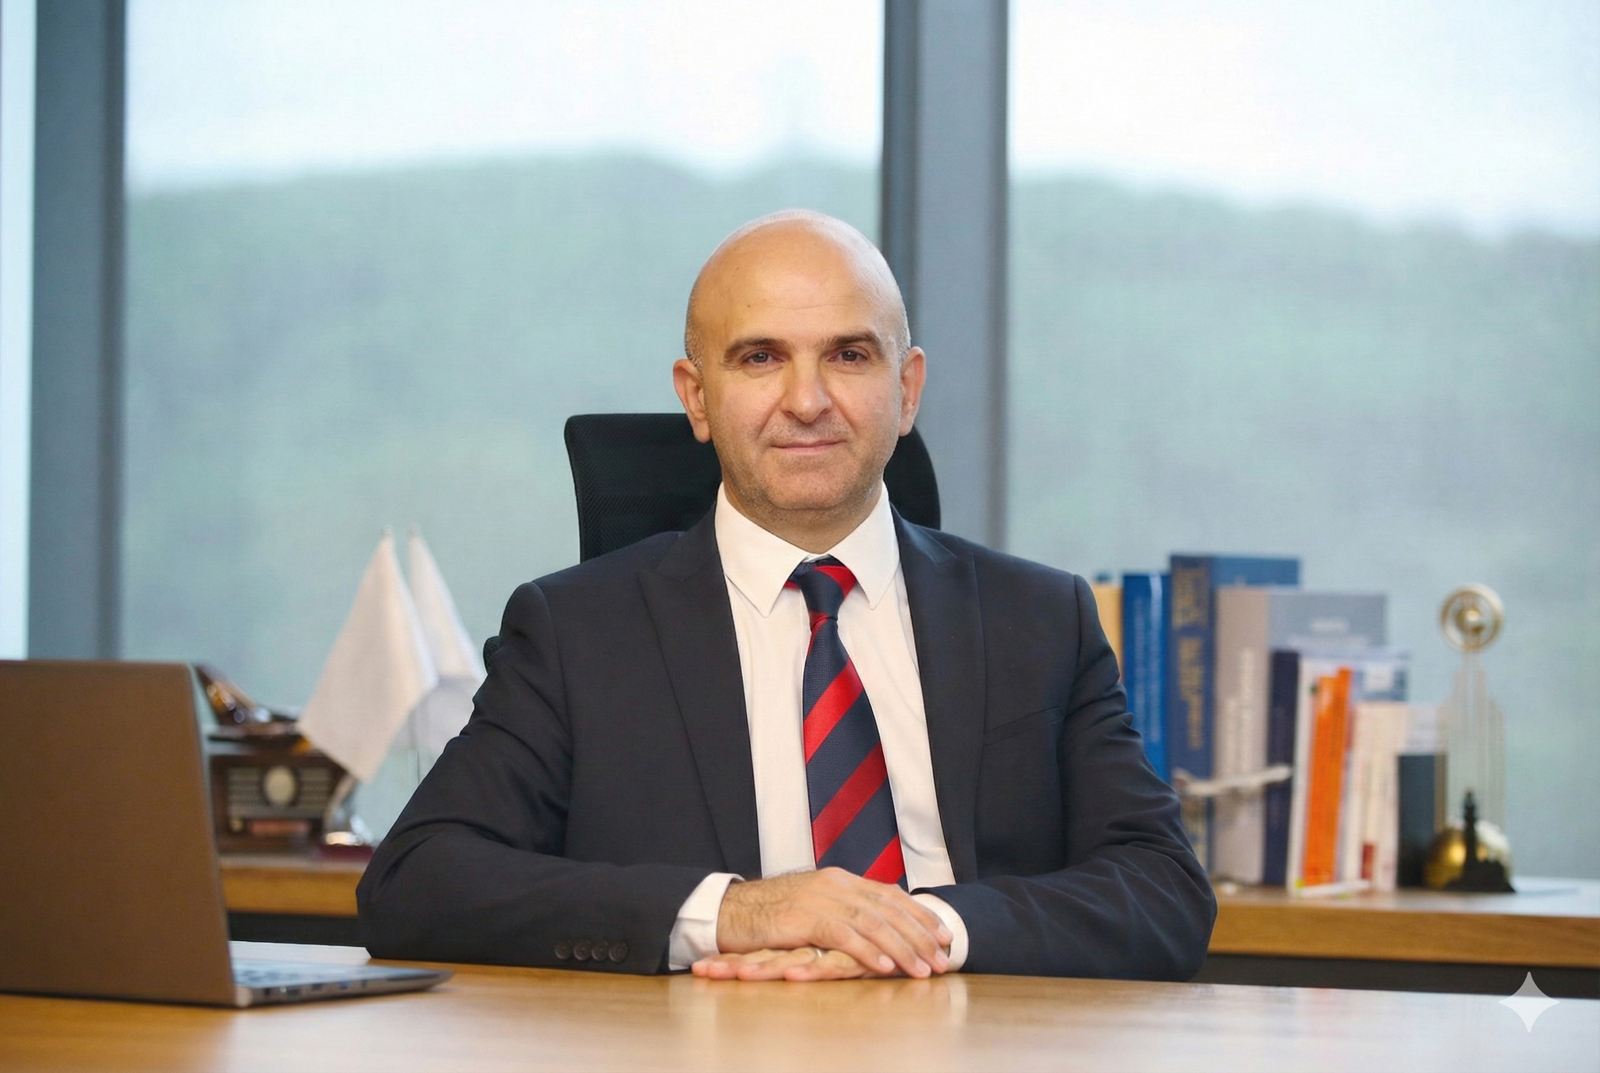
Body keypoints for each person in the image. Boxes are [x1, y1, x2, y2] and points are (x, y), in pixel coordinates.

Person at [358, 210, 1214, 981]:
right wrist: (737, 913)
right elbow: (416, 880)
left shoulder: (1042, 619)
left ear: (907, 389)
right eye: (760, 358)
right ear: (697, 397)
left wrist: (924, 929)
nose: (807, 401)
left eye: (849, 355)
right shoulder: (577, 634)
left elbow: (1163, 887)